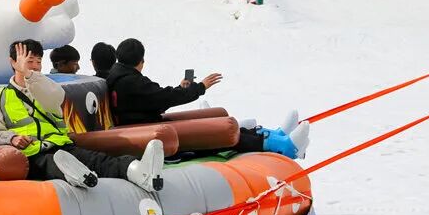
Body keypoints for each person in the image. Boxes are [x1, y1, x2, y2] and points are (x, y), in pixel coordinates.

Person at [0, 40, 164, 191]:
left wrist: (30, 76)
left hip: (62, 146)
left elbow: (57, 97)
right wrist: (13, 138)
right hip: (33, 154)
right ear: (13, 62)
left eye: (38, 62)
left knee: (97, 160)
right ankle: (80, 175)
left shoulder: (44, 87)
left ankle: (138, 171)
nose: (33, 67)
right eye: (28, 61)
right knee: (51, 163)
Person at [107, 38, 310, 158]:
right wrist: (200, 87)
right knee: (220, 132)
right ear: (141, 61)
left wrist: (182, 89)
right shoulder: (130, 82)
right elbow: (164, 97)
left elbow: (153, 100)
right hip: (149, 133)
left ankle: (275, 135)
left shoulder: (123, 78)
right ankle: (284, 147)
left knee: (221, 124)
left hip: (148, 127)